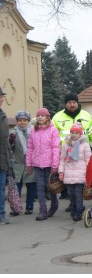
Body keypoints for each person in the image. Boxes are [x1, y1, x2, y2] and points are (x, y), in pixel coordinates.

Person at [52, 92, 92, 207]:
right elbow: (53, 135)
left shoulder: (86, 115)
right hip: (66, 154)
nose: (72, 104)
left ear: (77, 103)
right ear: (65, 104)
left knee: (80, 181)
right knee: (69, 182)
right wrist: (56, 150)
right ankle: (73, 203)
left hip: (83, 153)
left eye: (74, 102)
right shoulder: (57, 117)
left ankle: (78, 205)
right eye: (69, 102)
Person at [26, 108, 61, 221]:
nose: (40, 117)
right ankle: (43, 210)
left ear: (47, 117)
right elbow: (30, 147)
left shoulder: (53, 130)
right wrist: (29, 163)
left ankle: (54, 204)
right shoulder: (33, 130)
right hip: (37, 163)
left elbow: (56, 147)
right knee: (40, 187)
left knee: (50, 187)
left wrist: (55, 164)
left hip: (49, 163)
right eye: (38, 116)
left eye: (42, 115)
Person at [58, 123, 92, 221]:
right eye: (72, 132)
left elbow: (88, 160)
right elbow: (62, 159)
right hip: (68, 173)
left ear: (80, 134)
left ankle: (78, 211)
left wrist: (88, 173)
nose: (74, 135)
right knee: (71, 194)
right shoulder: (66, 144)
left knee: (78, 193)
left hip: (80, 173)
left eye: (76, 133)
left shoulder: (85, 145)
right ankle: (74, 207)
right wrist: (61, 171)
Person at [9, 111, 36, 216]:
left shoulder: (33, 132)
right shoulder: (13, 133)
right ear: (17, 121)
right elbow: (10, 148)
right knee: (17, 187)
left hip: (31, 163)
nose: (22, 122)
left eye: (25, 120)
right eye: (20, 120)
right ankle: (16, 207)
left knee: (31, 186)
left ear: (28, 121)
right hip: (18, 164)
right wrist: (10, 142)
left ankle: (29, 207)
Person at [0, 87, 12, 225]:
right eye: (0, 97)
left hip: (2, 159)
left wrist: (9, 157)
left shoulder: (3, 115)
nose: (2, 99)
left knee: (1, 188)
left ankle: (1, 214)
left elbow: (5, 139)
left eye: (2, 97)